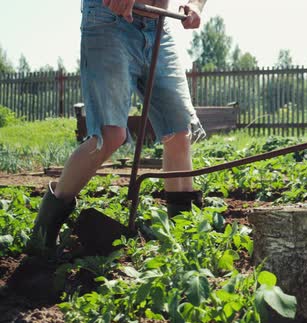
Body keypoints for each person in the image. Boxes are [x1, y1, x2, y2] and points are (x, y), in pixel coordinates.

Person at [27, 0, 207, 256]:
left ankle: (183, 238)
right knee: (110, 135)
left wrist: (195, 4)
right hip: (109, 19)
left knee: (179, 132)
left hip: (159, 27)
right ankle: (42, 234)